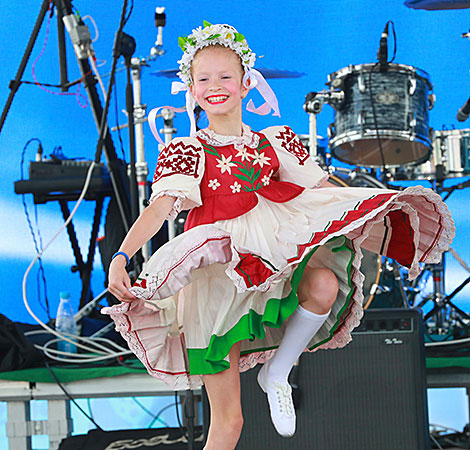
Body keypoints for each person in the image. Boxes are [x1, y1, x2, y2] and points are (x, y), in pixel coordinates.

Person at [104, 22, 454, 450]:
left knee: (324, 284)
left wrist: (380, 213)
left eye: (226, 77)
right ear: (191, 88)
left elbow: (323, 192)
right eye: (204, 79)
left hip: (273, 256)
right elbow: (160, 208)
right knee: (229, 422)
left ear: (246, 82)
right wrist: (123, 255)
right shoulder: (188, 149)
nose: (215, 87)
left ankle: (277, 372)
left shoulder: (276, 142)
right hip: (217, 280)